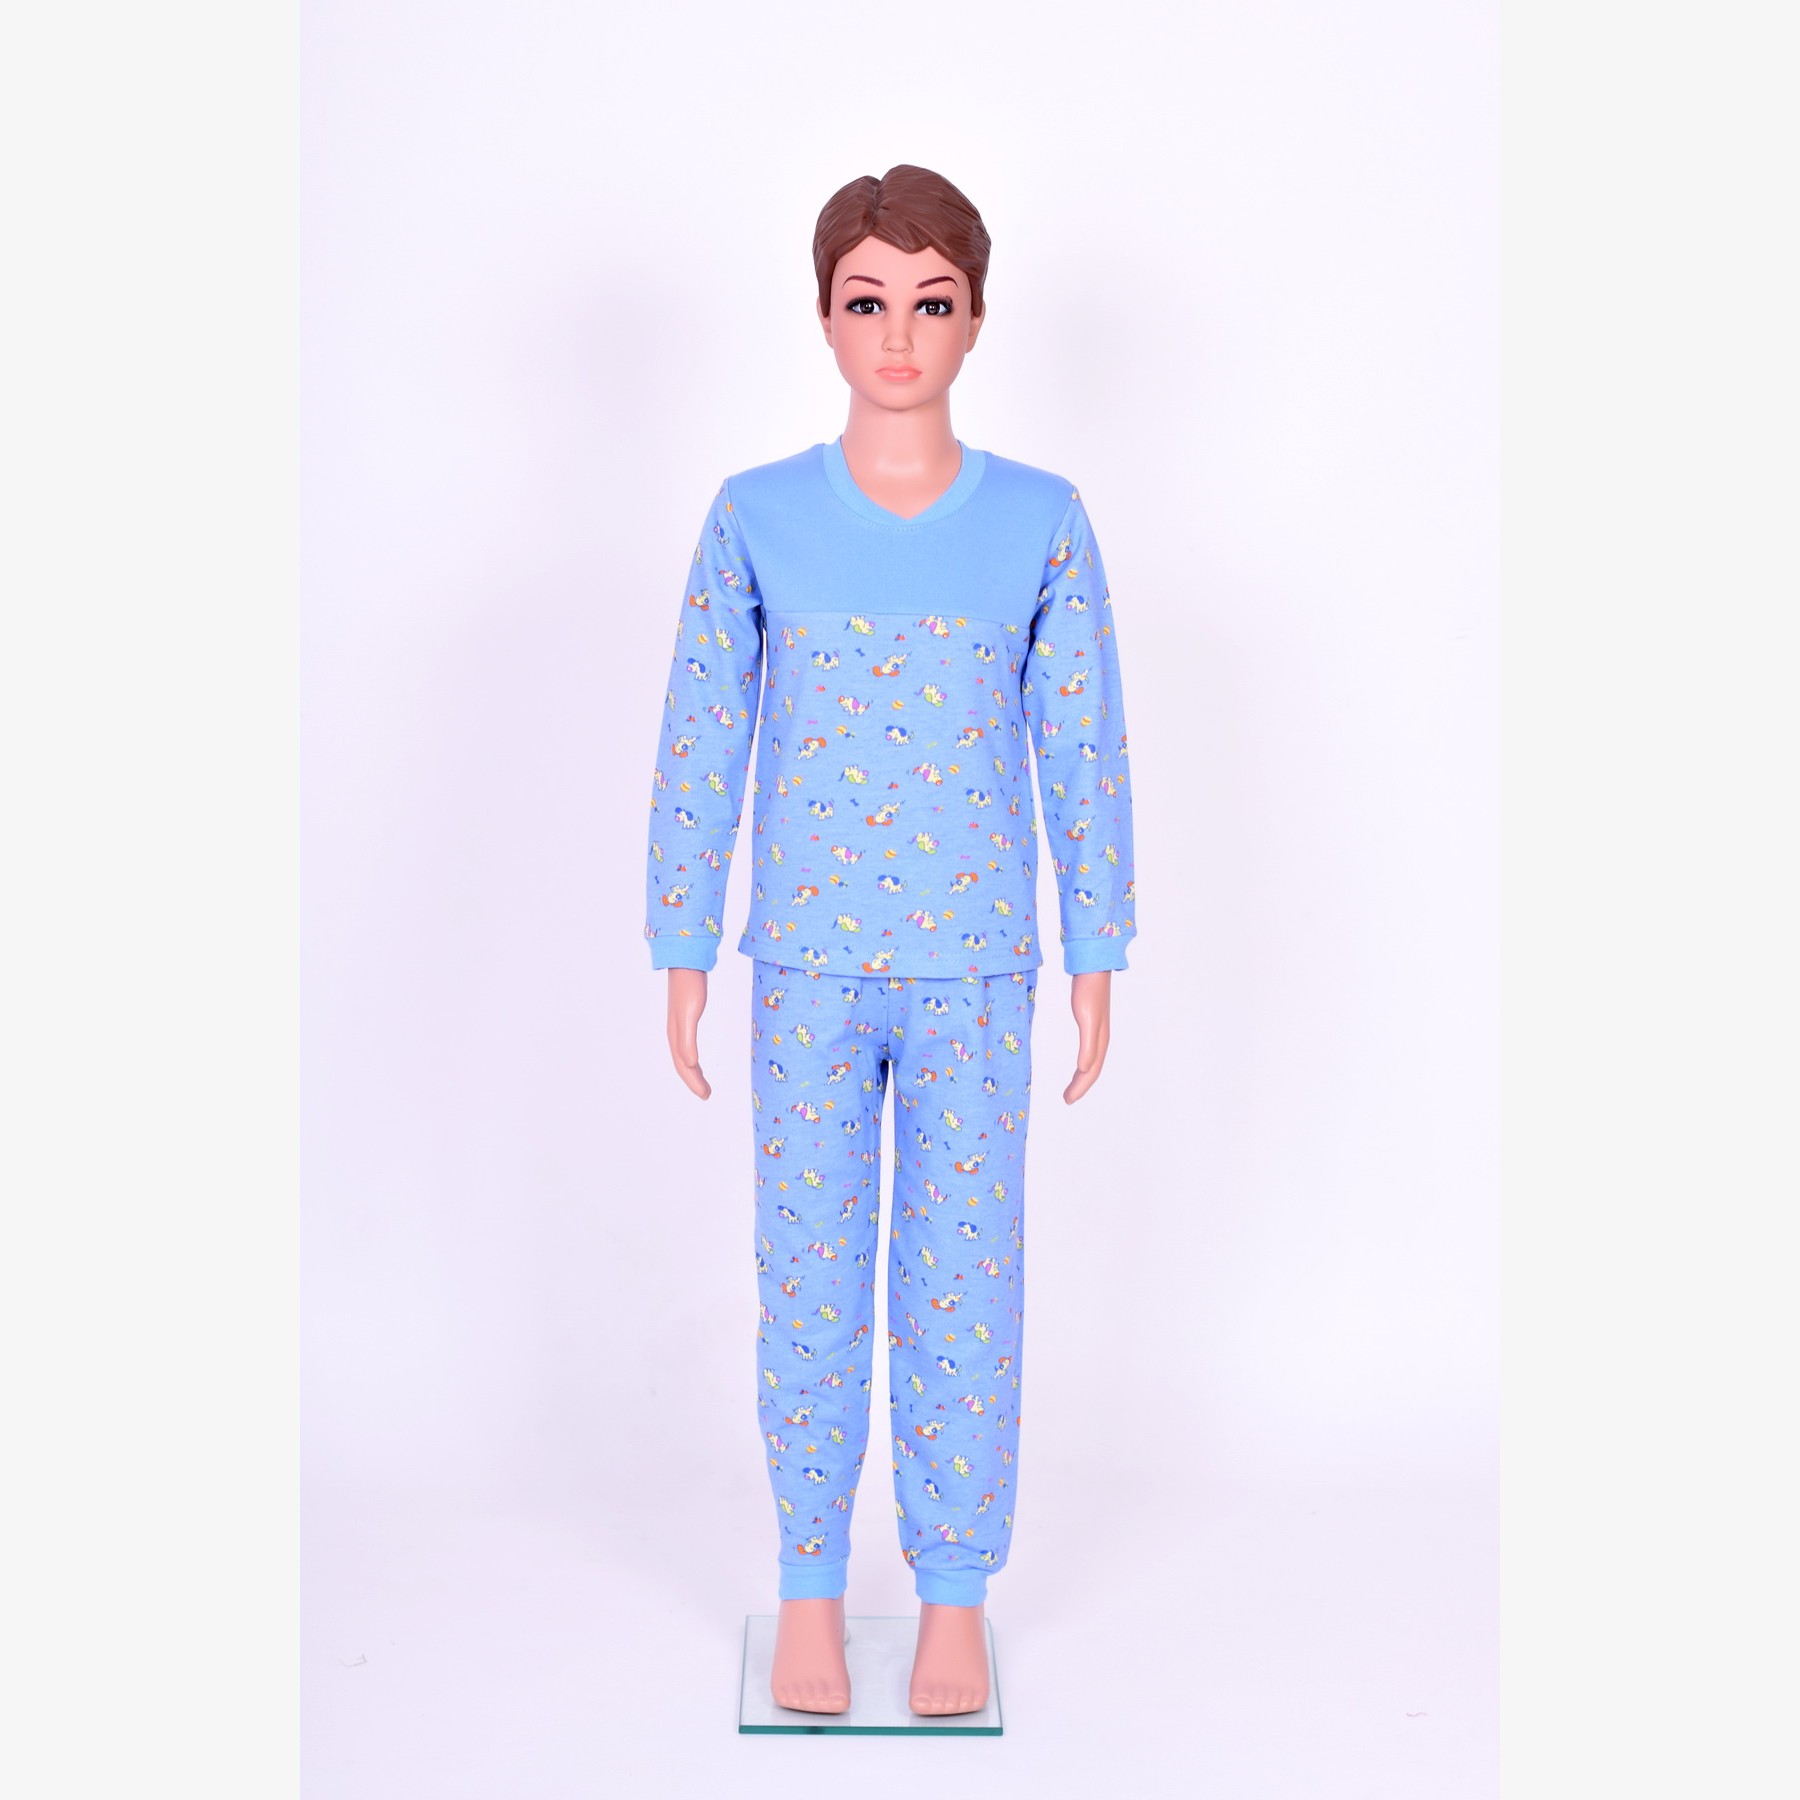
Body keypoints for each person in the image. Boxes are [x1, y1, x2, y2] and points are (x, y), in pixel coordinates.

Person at [642, 165, 1138, 1717]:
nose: (900, 335)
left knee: (962, 1292)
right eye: (869, 302)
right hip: (803, 965)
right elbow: (703, 736)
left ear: (977, 320)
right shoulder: (757, 518)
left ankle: (952, 1598)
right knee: (807, 1283)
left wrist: (1097, 950)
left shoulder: (1042, 523)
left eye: (933, 303)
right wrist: (682, 943)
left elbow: (1083, 747)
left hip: (978, 973)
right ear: (824, 318)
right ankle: (808, 1584)